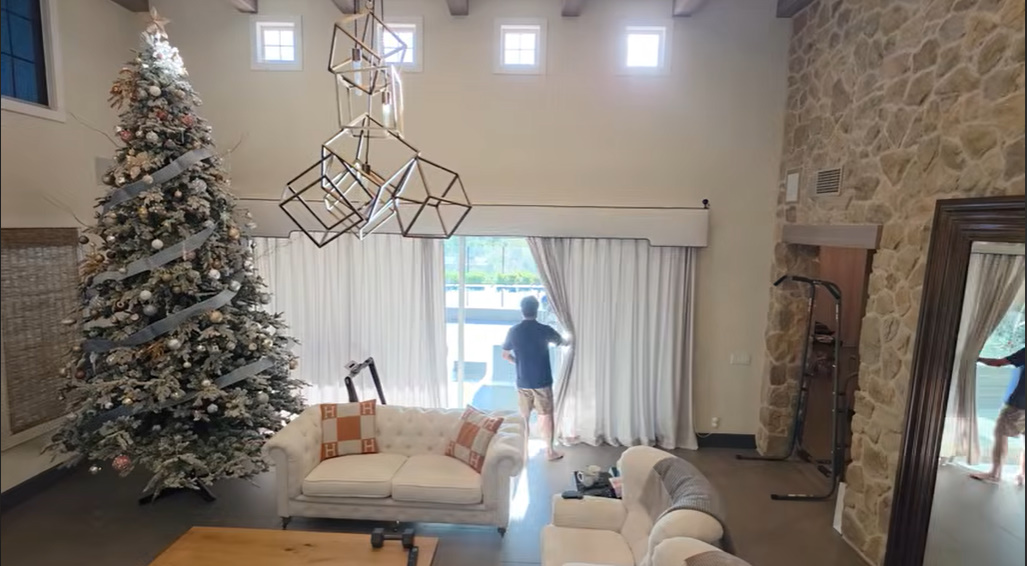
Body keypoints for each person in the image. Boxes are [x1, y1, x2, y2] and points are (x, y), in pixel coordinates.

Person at [502, 295, 567, 461]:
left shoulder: (514, 331)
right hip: (542, 380)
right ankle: (550, 451)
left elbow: (505, 355)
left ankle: (523, 450)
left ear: (522, 311)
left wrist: (518, 362)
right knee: (546, 415)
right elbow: (562, 342)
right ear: (536, 310)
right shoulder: (545, 330)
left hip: (523, 380)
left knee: (524, 417)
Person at [971, 347, 1025, 485]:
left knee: (1000, 433)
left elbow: (998, 363)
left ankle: (995, 473)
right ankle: (1021, 475)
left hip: (1019, 403)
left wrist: (976, 358)